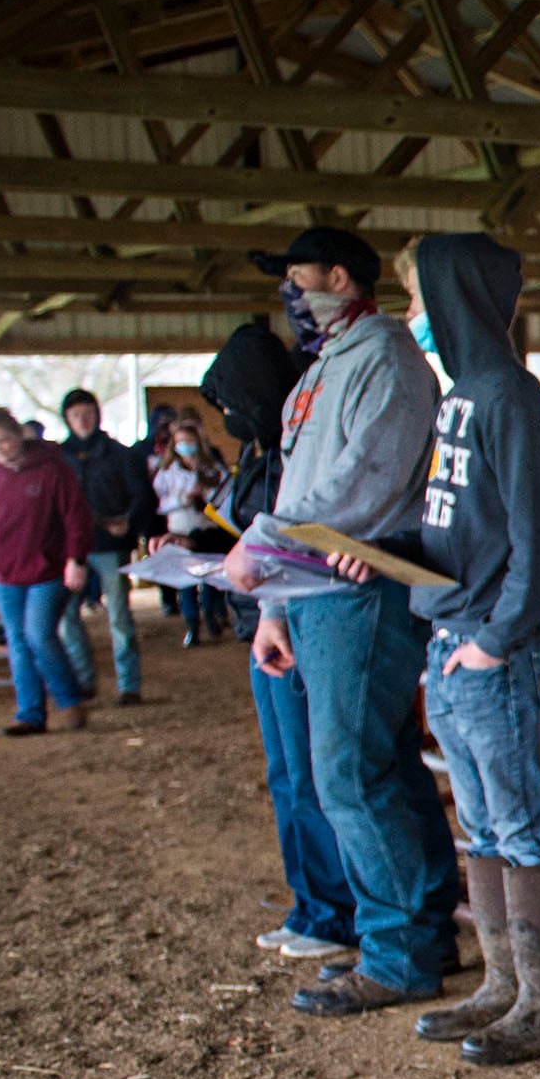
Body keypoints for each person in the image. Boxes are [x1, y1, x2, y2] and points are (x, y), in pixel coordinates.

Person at [225, 225, 459, 1017]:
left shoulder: (387, 361)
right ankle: (421, 933)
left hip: (358, 589)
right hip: (315, 591)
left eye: (298, 278)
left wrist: (264, 546)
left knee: (351, 772)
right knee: (379, 762)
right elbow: (301, 487)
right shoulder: (323, 371)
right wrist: (275, 602)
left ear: (336, 275)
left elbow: (362, 482)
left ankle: (396, 954)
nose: (290, 296)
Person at [370, 234, 540, 1064]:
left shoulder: (508, 398)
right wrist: (387, 549)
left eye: (421, 301)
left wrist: (497, 640)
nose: (413, 318)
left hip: (488, 646)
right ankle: (505, 985)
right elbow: (461, 527)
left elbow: (539, 539)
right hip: (451, 637)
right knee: (483, 824)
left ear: (457, 300)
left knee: (520, 821)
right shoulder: (460, 397)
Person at [203, 321, 360, 965]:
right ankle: (312, 903)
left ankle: (334, 911)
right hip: (262, 623)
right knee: (287, 774)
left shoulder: (294, 463)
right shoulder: (262, 458)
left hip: (292, 621)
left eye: (235, 404)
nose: (230, 418)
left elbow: (293, 543)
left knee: (310, 775)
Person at [0, 405, 92, 736]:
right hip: (4, 575)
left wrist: (75, 559)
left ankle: (68, 699)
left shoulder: (53, 471)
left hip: (47, 570)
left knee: (38, 636)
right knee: (18, 642)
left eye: (5, 440)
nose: (0, 448)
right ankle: (30, 713)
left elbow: (75, 517)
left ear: (19, 434)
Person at [56, 388, 158, 704]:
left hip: (109, 543)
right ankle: (83, 679)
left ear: (97, 415)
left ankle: (129, 684)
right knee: (67, 617)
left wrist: (129, 520)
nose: (83, 421)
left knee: (119, 615)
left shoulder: (119, 454)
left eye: (87, 414)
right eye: (76, 415)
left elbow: (141, 495)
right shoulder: (59, 459)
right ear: (67, 419)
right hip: (70, 548)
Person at [150, 413, 227, 646]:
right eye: (180, 441)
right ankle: (192, 626)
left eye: (189, 441)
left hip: (207, 531)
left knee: (210, 578)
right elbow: (160, 502)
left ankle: (213, 616)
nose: (185, 446)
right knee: (185, 582)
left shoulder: (212, 467)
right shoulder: (166, 472)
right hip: (180, 531)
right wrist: (184, 497)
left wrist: (205, 492)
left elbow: (224, 494)